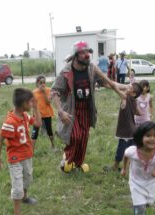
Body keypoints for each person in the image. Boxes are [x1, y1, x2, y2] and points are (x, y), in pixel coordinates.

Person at [51, 41, 125, 173]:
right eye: (83, 52)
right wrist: (60, 111)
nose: (87, 55)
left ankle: (78, 164)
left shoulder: (92, 68)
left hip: (86, 108)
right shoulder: (66, 71)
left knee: (84, 137)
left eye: (88, 52)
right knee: (75, 136)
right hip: (71, 109)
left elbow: (107, 83)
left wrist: (126, 88)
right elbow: (54, 91)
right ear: (75, 55)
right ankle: (67, 158)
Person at [0, 88, 42, 215]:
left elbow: (38, 124)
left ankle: (25, 198)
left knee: (28, 178)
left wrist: (36, 108)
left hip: (27, 156)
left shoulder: (25, 116)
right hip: (15, 159)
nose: (31, 103)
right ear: (23, 104)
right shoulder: (10, 122)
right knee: (17, 187)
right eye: (30, 102)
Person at [104, 82, 144, 172]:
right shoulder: (134, 101)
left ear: (133, 93)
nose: (126, 88)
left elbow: (114, 87)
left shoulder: (124, 98)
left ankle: (115, 166)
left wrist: (107, 81)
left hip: (125, 131)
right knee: (132, 150)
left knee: (121, 150)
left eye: (129, 88)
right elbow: (140, 113)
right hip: (133, 130)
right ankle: (129, 167)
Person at [31, 75, 55, 149]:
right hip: (38, 115)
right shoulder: (34, 92)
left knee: (49, 130)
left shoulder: (48, 90)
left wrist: (44, 92)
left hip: (47, 114)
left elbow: (48, 102)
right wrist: (33, 114)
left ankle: (53, 145)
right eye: (41, 82)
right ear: (37, 83)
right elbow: (33, 105)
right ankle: (31, 149)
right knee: (35, 131)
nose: (43, 84)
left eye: (44, 82)